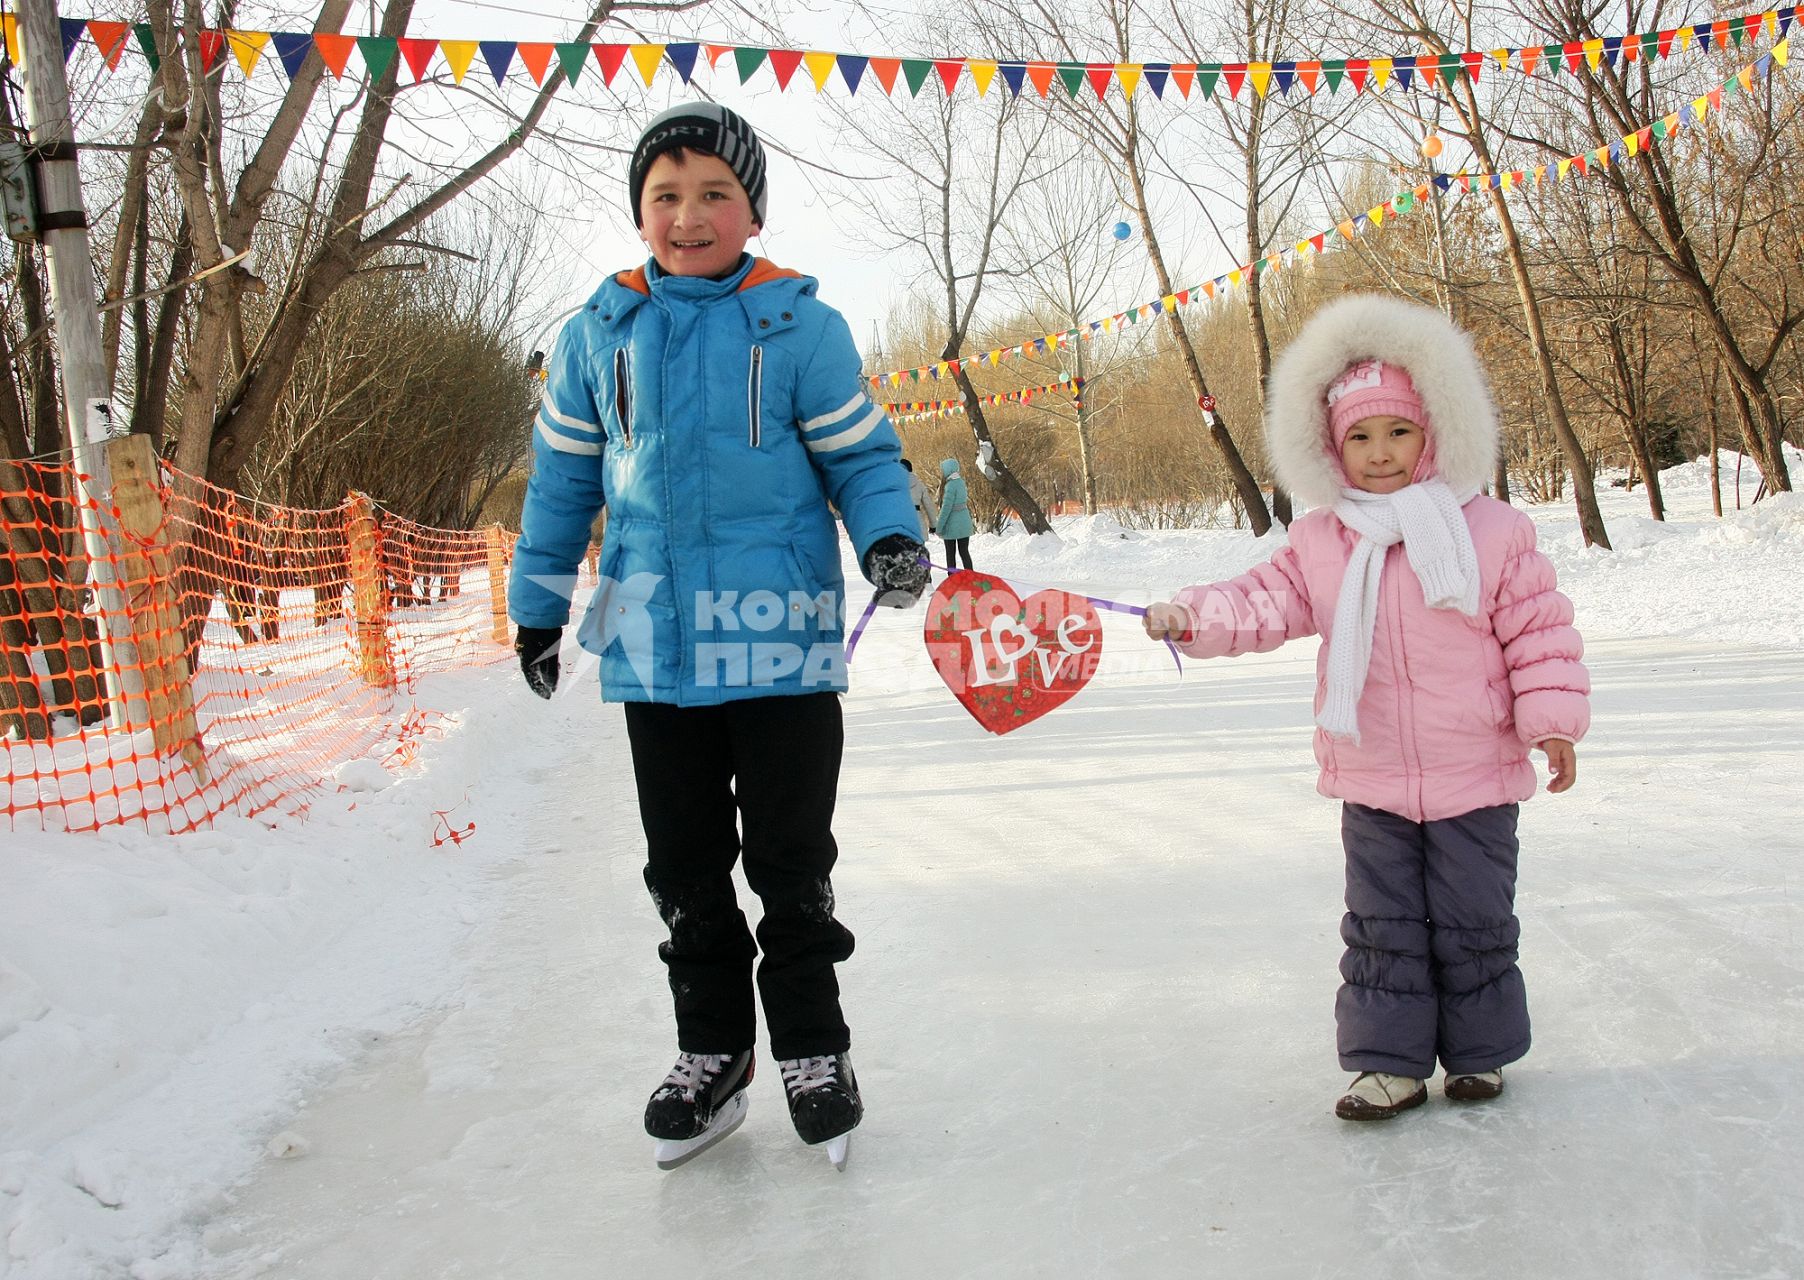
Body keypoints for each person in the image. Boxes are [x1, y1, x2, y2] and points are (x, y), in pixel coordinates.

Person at [507, 102, 930, 1169]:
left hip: (779, 631)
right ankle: (713, 1051)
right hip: (652, 634)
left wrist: (887, 533)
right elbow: (559, 480)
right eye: (665, 195)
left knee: (791, 859)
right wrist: (539, 604)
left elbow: (862, 455)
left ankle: (812, 1048)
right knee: (683, 865)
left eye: (712, 195)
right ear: (639, 210)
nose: (687, 216)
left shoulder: (798, 326)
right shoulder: (595, 331)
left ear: (751, 210)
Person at [1142, 294, 1590, 1121]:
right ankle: (1388, 1063)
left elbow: (1539, 631)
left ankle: (1480, 1056)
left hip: (1475, 770)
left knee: (1475, 918)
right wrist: (1191, 615)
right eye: (1360, 437)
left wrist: (1552, 721)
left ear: (1433, 434)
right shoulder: (1323, 541)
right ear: (1330, 448)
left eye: (1397, 432)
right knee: (1383, 924)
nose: (1380, 454)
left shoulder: (1489, 529)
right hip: (1374, 771)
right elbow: (1261, 601)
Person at [936, 456, 976, 571]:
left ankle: (952, 580)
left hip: (951, 526)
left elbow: (946, 508)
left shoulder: (949, 486)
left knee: (950, 554)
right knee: (964, 552)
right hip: (964, 522)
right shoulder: (961, 482)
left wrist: (939, 527)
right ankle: (970, 577)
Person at [900, 457, 938, 545]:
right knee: (920, 556)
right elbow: (929, 505)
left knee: (904, 557)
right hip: (918, 523)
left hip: (901, 525)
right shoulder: (919, 484)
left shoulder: (894, 484)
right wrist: (933, 525)